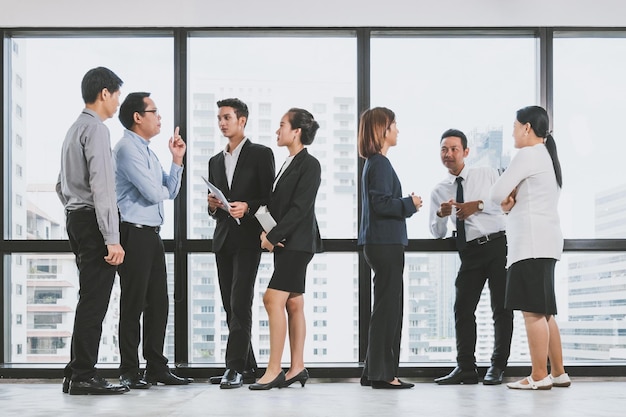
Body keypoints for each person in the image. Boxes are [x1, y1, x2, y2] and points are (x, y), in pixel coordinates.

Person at [56, 66, 128, 395]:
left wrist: (75, 210)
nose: (118, 102)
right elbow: (102, 187)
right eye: (116, 95)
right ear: (104, 94)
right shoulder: (97, 130)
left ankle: (74, 373)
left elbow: (61, 185)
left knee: (89, 297)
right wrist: (112, 238)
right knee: (95, 302)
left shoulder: (74, 128)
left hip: (76, 218)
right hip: (92, 220)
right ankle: (84, 374)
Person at [113, 92, 192, 388]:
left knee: (159, 303)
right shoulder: (125, 149)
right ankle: (129, 370)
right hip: (132, 233)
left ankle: (156, 367)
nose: (160, 118)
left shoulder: (147, 150)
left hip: (151, 235)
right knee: (134, 304)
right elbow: (152, 192)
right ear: (137, 116)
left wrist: (177, 159)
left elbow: (169, 190)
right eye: (154, 111)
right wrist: (161, 187)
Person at [489, 105, 571, 390]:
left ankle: (539, 376)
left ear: (527, 128)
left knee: (532, 312)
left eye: (515, 125)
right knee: (545, 311)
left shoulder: (528, 154)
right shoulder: (546, 156)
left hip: (531, 244)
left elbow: (496, 194)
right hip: (545, 242)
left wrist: (506, 202)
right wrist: (512, 203)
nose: (512, 131)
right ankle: (558, 372)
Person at [430, 129, 513, 385]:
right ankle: (465, 367)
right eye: (445, 149)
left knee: (501, 308)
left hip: (497, 245)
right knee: (463, 308)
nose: (449, 154)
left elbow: (504, 204)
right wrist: (441, 216)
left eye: (454, 149)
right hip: (470, 252)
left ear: (466, 152)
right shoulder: (439, 190)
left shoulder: (486, 173)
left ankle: (498, 366)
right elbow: (436, 233)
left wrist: (475, 206)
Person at [249, 108, 323, 391]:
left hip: (298, 244)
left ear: (297, 131)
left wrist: (273, 236)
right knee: (293, 302)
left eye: (282, 126)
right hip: (287, 243)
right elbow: (279, 206)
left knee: (272, 300)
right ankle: (297, 367)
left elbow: (300, 209)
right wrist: (267, 230)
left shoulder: (310, 164)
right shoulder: (288, 163)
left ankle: (273, 370)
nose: (277, 131)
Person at [207, 98, 275, 389]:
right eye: (219, 118)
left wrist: (247, 207)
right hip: (223, 239)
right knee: (227, 305)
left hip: (248, 239)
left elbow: (271, 199)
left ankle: (233, 367)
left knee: (240, 302)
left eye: (227, 117)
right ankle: (247, 366)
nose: (222, 123)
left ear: (242, 120)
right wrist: (212, 206)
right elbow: (215, 210)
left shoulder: (261, 154)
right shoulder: (215, 161)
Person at [357, 107, 422, 389]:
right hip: (385, 242)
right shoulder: (380, 164)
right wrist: (411, 204)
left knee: (384, 308)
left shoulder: (374, 163)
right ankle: (384, 375)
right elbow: (381, 204)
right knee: (388, 310)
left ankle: (374, 371)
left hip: (378, 242)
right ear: (382, 130)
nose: (397, 130)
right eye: (394, 125)